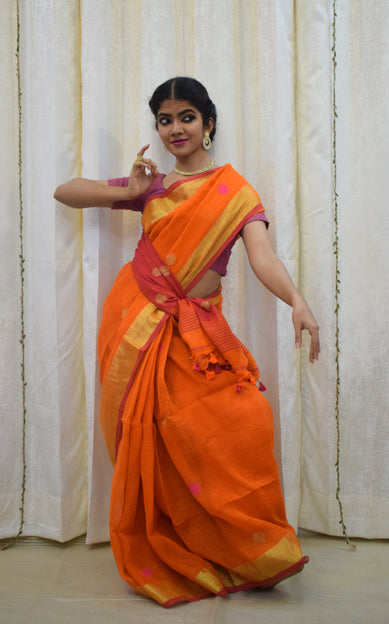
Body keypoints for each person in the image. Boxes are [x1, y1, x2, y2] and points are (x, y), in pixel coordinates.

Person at [54, 77, 320, 608]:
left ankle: (251, 547)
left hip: (199, 331)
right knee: (156, 432)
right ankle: (180, 541)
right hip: (140, 322)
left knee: (243, 421)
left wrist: (298, 300)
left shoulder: (235, 190)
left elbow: (262, 257)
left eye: (186, 117)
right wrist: (125, 192)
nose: (175, 128)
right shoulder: (153, 187)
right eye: (165, 119)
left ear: (208, 123)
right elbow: (67, 191)